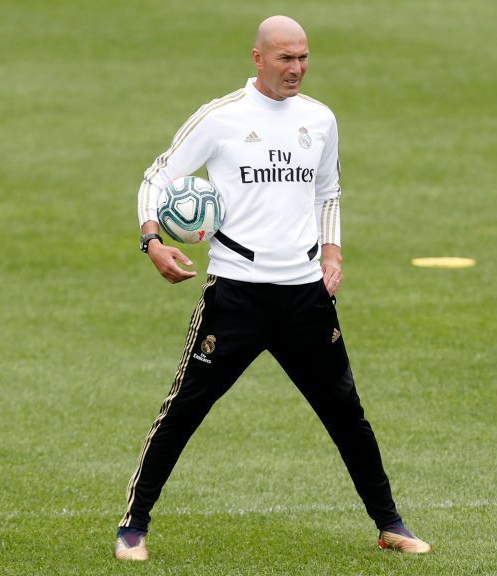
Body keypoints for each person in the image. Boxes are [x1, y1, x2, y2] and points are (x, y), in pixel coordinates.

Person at [114, 15, 431, 561]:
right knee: (185, 408)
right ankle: (133, 526)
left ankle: (390, 525)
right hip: (237, 293)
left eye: (304, 57)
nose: (297, 68)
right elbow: (156, 177)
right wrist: (152, 240)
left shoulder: (320, 119)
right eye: (286, 58)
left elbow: (327, 192)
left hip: (305, 294)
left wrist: (331, 250)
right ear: (257, 58)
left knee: (346, 415)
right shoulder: (220, 119)